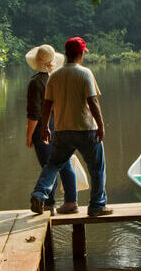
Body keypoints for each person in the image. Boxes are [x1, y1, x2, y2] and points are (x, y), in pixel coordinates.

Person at [29, 37, 112, 216]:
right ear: (80, 54)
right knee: (97, 167)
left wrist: (45, 127)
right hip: (86, 129)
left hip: (62, 131)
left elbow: (47, 104)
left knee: (53, 164)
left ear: (66, 54)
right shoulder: (85, 73)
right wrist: (101, 125)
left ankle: (39, 194)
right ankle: (97, 205)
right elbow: (92, 101)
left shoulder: (54, 76)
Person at [25, 44, 78, 214]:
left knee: (49, 166)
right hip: (61, 126)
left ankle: (49, 204)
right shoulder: (57, 79)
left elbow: (34, 114)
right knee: (64, 163)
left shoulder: (35, 83)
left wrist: (29, 135)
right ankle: (71, 201)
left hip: (43, 127)